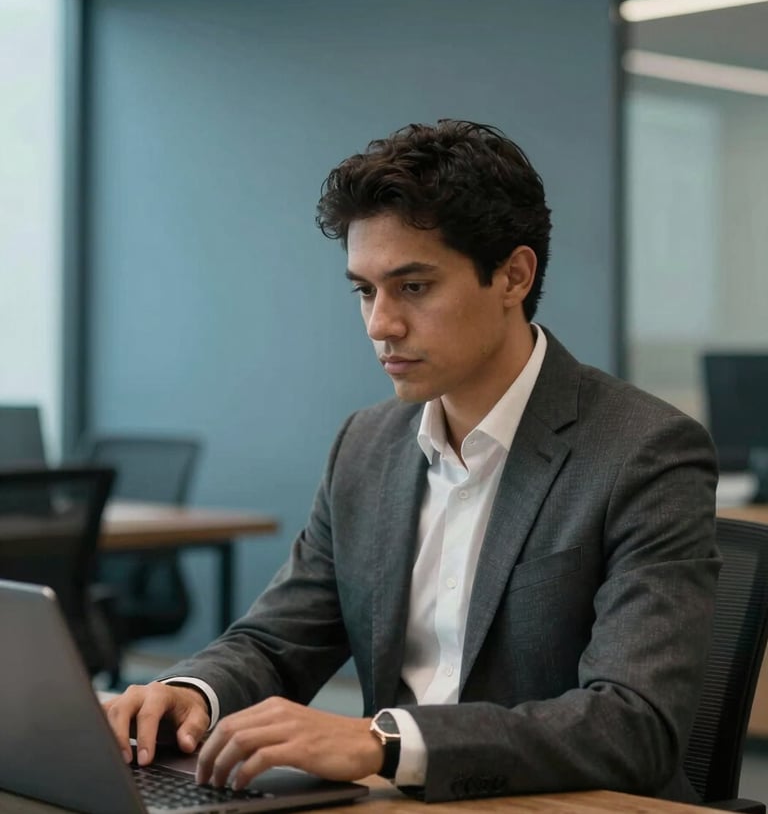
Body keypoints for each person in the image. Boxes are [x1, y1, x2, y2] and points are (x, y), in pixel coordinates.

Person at [104, 120, 720, 803]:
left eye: (414, 287)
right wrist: (188, 693)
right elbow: (277, 642)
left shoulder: (644, 451)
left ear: (514, 275)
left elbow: (632, 724)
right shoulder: (365, 447)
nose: (380, 324)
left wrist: (384, 743)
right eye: (365, 291)